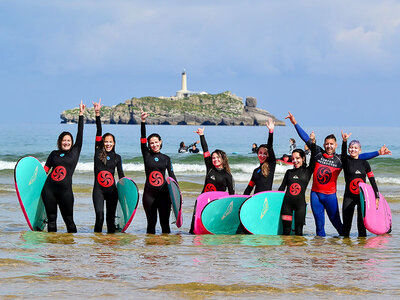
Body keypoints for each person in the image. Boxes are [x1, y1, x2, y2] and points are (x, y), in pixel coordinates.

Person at [285, 111, 389, 237]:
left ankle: (345, 245)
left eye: (331, 144)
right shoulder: (317, 152)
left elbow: (359, 156)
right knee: (319, 225)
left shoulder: (340, 160)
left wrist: (378, 152)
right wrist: (295, 123)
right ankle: (320, 252)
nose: (329, 146)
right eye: (327, 144)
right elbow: (305, 137)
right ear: (324, 145)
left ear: (336, 145)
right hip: (316, 195)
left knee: (337, 223)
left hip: (330, 196)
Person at [41, 100, 85, 232]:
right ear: (60, 142)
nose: (66, 142)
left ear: (72, 142)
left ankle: (71, 250)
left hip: (65, 192)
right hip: (49, 191)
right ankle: (53, 249)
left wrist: (81, 115)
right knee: (51, 220)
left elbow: (80, 134)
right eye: (64, 140)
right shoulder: (53, 154)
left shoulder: (75, 152)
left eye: (68, 140)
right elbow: (45, 171)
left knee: (69, 220)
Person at [189, 127, 235, 233]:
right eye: (213, 158)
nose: (215, 160)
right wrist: (201, 135)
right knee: (195, 225)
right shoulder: (210, 168)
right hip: (202, 200)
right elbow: (205, 149)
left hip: (216, 203)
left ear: (223, 159)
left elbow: (232, 194)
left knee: (211, 226)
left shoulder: (228, 176)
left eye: (218, 158)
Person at [141, 111, 177, 234]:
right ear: (149, 145)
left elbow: (172, 177)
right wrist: (143, 122)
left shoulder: (166, 158)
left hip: (164, 195)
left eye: (156, 142)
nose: (154, 145)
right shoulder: (146, 155)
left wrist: (177, 195)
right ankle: (150, 251)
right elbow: (142, 139)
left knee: (165, 225)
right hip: (149, 195)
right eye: (151, 143)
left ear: (160, 142)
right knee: (151, 224)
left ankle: (165, 251)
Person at [341, 132, 382, 237]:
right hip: (348, 197)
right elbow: (343, 152)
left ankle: (362, 251)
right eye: (351, 148)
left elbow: (372, 180)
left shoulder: (365, 163)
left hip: (362, 198)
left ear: (360, 150)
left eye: (355, 148)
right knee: (346, 226)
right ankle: (346, 250)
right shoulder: (346, 161)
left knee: (362, 226)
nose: (352, 150)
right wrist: (344, 141)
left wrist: (376, 196)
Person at [92, 99, 124, 233]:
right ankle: (97, 242)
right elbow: (99, 130)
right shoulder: (98, 152)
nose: (108, 144)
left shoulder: (117, 158)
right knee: (99, 217)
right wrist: (97, 114)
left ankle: (110, 245)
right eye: (106, 142)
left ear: (114, 143)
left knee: (110, 219)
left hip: (112, 192)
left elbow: (121, 176)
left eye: (110, 142)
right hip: (98, 190)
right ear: (103, 143)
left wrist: (126, 191)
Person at [278, 143, 316, 235]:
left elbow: (314, 156)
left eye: (297, 158)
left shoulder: (307, 171)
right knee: (286, 231)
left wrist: (313, 142)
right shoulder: (289, 172)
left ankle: (298, 249)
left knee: (299, 232)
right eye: (293, 158)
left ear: (303, 158)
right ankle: (286, 250)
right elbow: (281, 189)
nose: (295, 161)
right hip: (286, 206)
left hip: (300, 206)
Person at [244, 119, 276, 195]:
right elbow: (249, 187)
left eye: (265, 153)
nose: (262, 155)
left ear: (268, 155)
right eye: (260, 153)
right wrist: (242, 200)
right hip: (256, 199)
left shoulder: (271, 165)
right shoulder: (256, 171)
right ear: (257, 154)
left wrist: (271, 132)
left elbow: (270, 146)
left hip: (266, 200)